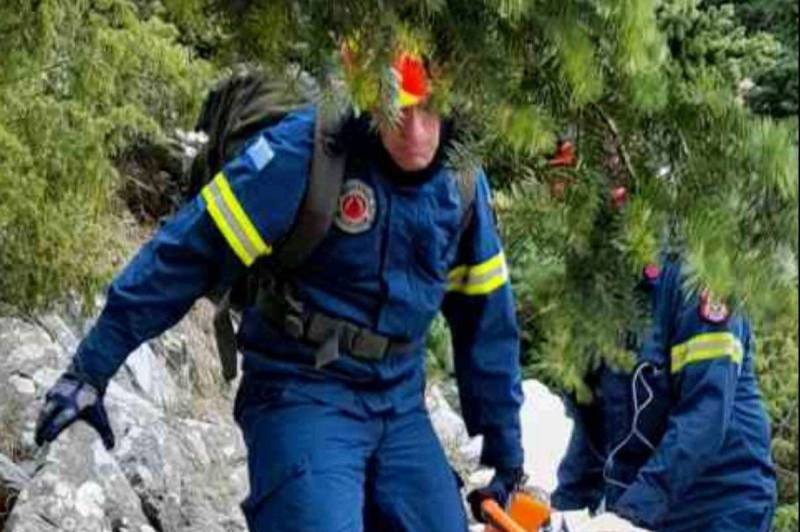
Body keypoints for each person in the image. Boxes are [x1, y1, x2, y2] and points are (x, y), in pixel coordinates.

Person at [34, 50, 525, 531]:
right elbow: (187, 254)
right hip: (301, 386)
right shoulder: (304, 154)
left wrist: (506, 456)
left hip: (400, 401)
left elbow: (487, 320)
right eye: (399, 109)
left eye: (429, 108)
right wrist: (90, 369)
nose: (415, 131)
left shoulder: (461, 180)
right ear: (367, 97)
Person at [550, 257, 777, 532]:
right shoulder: (601, 285)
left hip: (720, 502)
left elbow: (704, 417)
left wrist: (634, 512)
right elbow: (594, 419)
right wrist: (567, 504)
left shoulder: (700, 276)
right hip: (647, 501)